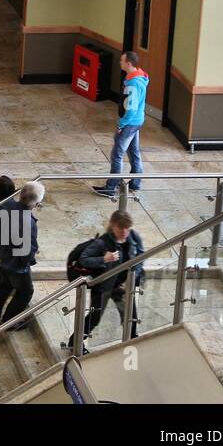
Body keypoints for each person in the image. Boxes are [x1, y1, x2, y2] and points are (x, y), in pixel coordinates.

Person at [74, 209, 145, 347]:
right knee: (94, 318)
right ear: (112, 225)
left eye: (127, 228)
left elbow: (140, 259)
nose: (124, 232)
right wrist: (104, 259)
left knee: (131, 317)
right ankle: (74, 343)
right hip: (103, 286)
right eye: (120, 228)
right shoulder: (102, 243)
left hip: (123, 286)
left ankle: (131, 342)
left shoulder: (134, 237)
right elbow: (83, 260)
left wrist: (132, 276)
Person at [0, 181, 45, 329]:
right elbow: (28, 251)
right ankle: (10, 322)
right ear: (36, 204)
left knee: (5, 285)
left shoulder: (5, 206)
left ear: (21, 194)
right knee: (25, 292)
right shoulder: (28, 222)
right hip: (14, 265)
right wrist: (30, 257)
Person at [97, 52, 149, 200]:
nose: (120, 63)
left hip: (130, 123)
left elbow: (131, 108)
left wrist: (122, 124)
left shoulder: (133, 83)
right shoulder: (140, 78)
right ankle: (135, 183)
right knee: (133, 152)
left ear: (129, 63)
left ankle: (110, 187)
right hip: (138, 121)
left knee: (117, 155)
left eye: (122, 61)